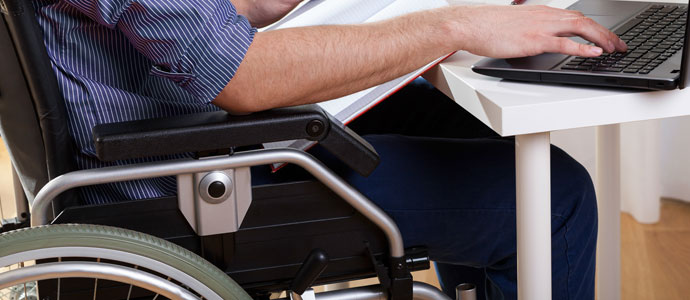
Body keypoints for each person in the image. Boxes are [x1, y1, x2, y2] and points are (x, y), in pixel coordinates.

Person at [32, 0, 626, 299]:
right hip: (191, 191)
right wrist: (453, 25)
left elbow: (208, 18)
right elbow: (247, 78)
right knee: (550, 196)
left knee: (463, 132)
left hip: (190, 148)